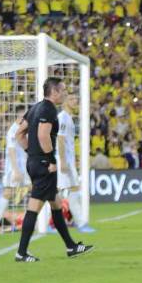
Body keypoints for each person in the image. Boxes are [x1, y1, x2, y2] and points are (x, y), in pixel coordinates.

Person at [14, 77, 93, 262]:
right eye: (63, 90)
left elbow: (19, 133)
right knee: (34, 207)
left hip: (34, 162)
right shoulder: (49, 109)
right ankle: (21, 252)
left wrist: (30, 152)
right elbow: (43, 135)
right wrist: (49, 160)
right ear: (54, 92)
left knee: (56, 203)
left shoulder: (34, 108)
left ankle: (71, 246)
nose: (65, 93)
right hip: (44, 165)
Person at [57, 92, 94, 233]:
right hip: (63, 161)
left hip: (68, 160)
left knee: (73, 191)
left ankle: (81, 223)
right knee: (57, 192)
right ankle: (44, 222)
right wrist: (63, 161)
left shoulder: (69, 118)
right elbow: (59, 140)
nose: (75, 101)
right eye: (71, 99)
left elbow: (67, 142)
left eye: (76, 99)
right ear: (64, 101)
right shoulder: (62, 118)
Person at [0, 105, 30, 231]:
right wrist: (15, 170)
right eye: (25, 115)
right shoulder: (12, 131)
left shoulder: (26, 129)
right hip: (13, 168)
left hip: (26, 166)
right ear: (19, 116)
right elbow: (11, 151)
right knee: (8, 192)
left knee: (38, 189)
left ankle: (36, 220)